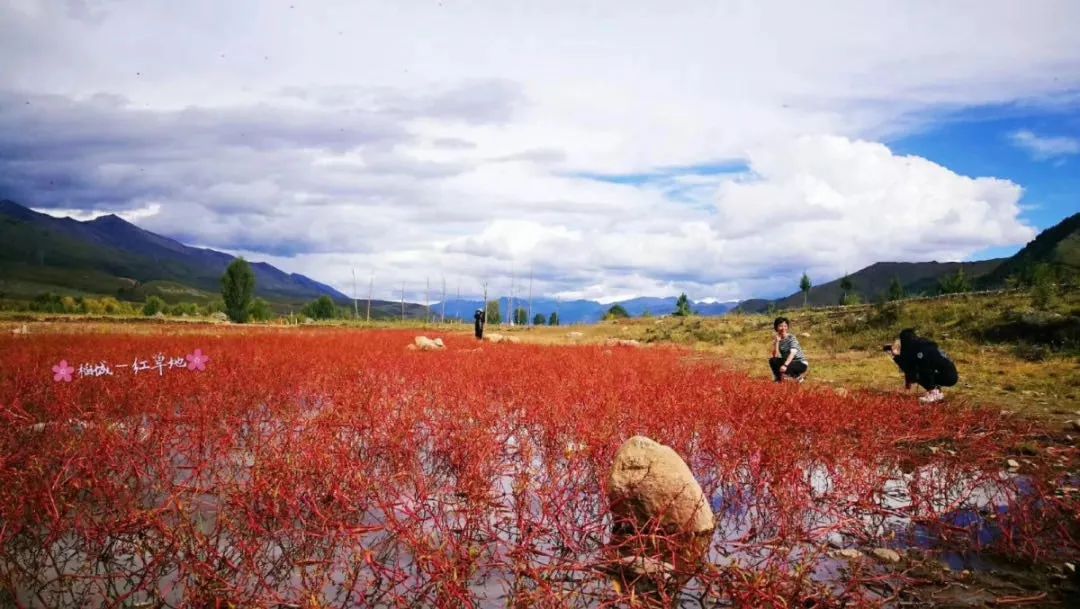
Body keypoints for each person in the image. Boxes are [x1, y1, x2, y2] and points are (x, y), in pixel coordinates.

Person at [888, 328, 958, 404]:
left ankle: (934, 393)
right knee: (919, 371)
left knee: (920, 372)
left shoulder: (921, 350)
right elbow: (909, 366)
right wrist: (896, 357)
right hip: (949, 373)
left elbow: (923, 369)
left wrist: (929, 386)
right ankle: (936, 392)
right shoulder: (922, 345)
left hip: (948, 375)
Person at [769, 317, 808, 383]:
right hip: (789, 362)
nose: (783, 328)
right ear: (776, 328)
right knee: (772, 360)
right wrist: (777, 342)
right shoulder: (778, 339)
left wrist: (785, 365)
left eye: (785, 326)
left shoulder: (791, 338)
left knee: (785, 374)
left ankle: (797, 377)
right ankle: (779, 379)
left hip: (800, 363)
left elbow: (792, 353)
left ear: (787, 327)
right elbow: (775, 356)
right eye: (780, 326)